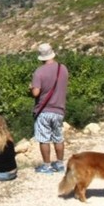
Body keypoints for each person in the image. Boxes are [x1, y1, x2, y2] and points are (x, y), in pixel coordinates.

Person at [31, 43, 69, 174]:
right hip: (59, 109)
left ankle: (46, 166)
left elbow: (36, 93)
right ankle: (60, 164)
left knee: (44, 139)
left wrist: (31, 88)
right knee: (58, 137)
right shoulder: (63, 68)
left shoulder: (39, 72)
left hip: (44, 110)